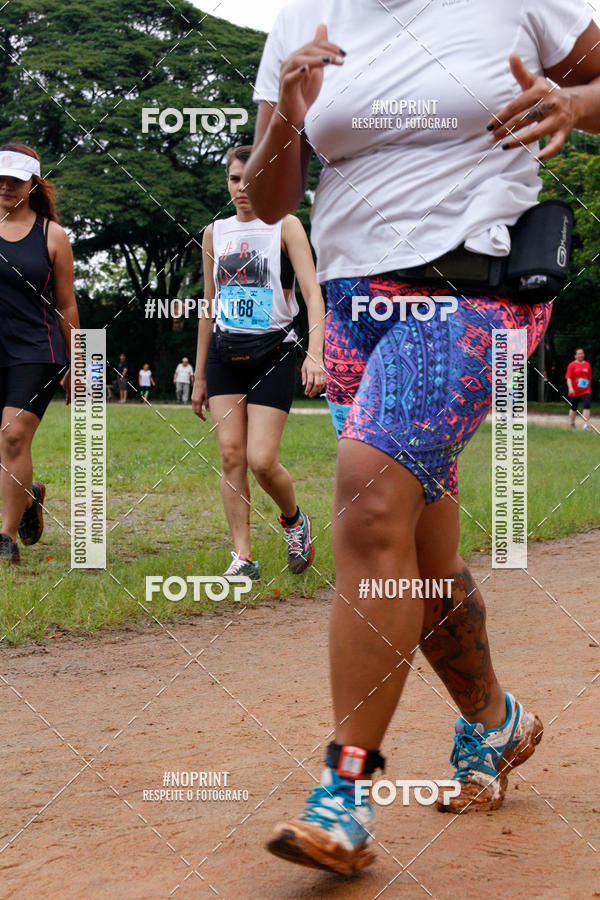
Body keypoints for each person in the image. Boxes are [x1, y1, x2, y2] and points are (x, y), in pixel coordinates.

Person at [244, 0, 600, 875]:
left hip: (473, 290)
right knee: (415, 550)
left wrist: (575, 105)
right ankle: (495, 723)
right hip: (358, 306)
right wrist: (289, 111)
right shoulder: (303, 20)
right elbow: (266, 197)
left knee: (368, 509)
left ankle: (345, 792)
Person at [192, 145, 326, 580]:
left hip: (275, 351)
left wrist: (316, 353)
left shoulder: (285, 225)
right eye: (235, 178)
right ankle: (243, 557)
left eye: (252, 178)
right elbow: (208, 307)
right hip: (226, 355)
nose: (242, 187)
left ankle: (294, 520)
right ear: (227, 182)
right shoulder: (215, 233)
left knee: (261, 459)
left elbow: (312, 295)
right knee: (231, 455)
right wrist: (198, 376)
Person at [0, 143, 80, 564]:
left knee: (12, 436)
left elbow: (66, 304)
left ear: (33, 183)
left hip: (37, 350)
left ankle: (6, 537)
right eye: (1, 178)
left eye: (15, 179)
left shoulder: (52, 235)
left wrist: (79, 361)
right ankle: (28, 497)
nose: (6, 185)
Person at [566, 347, 592, 430]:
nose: (581, 355)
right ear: (575, 355)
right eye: (579, 353)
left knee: (587, 405)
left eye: (582, 353)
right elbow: (568, 377)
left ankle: (586, 425)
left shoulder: (587, 364)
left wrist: (588, 387)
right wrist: (570, 387)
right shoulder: (571, 365)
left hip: (585, 390)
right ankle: (572, 424)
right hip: (574, 391)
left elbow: (589, 378)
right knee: (574, 408)